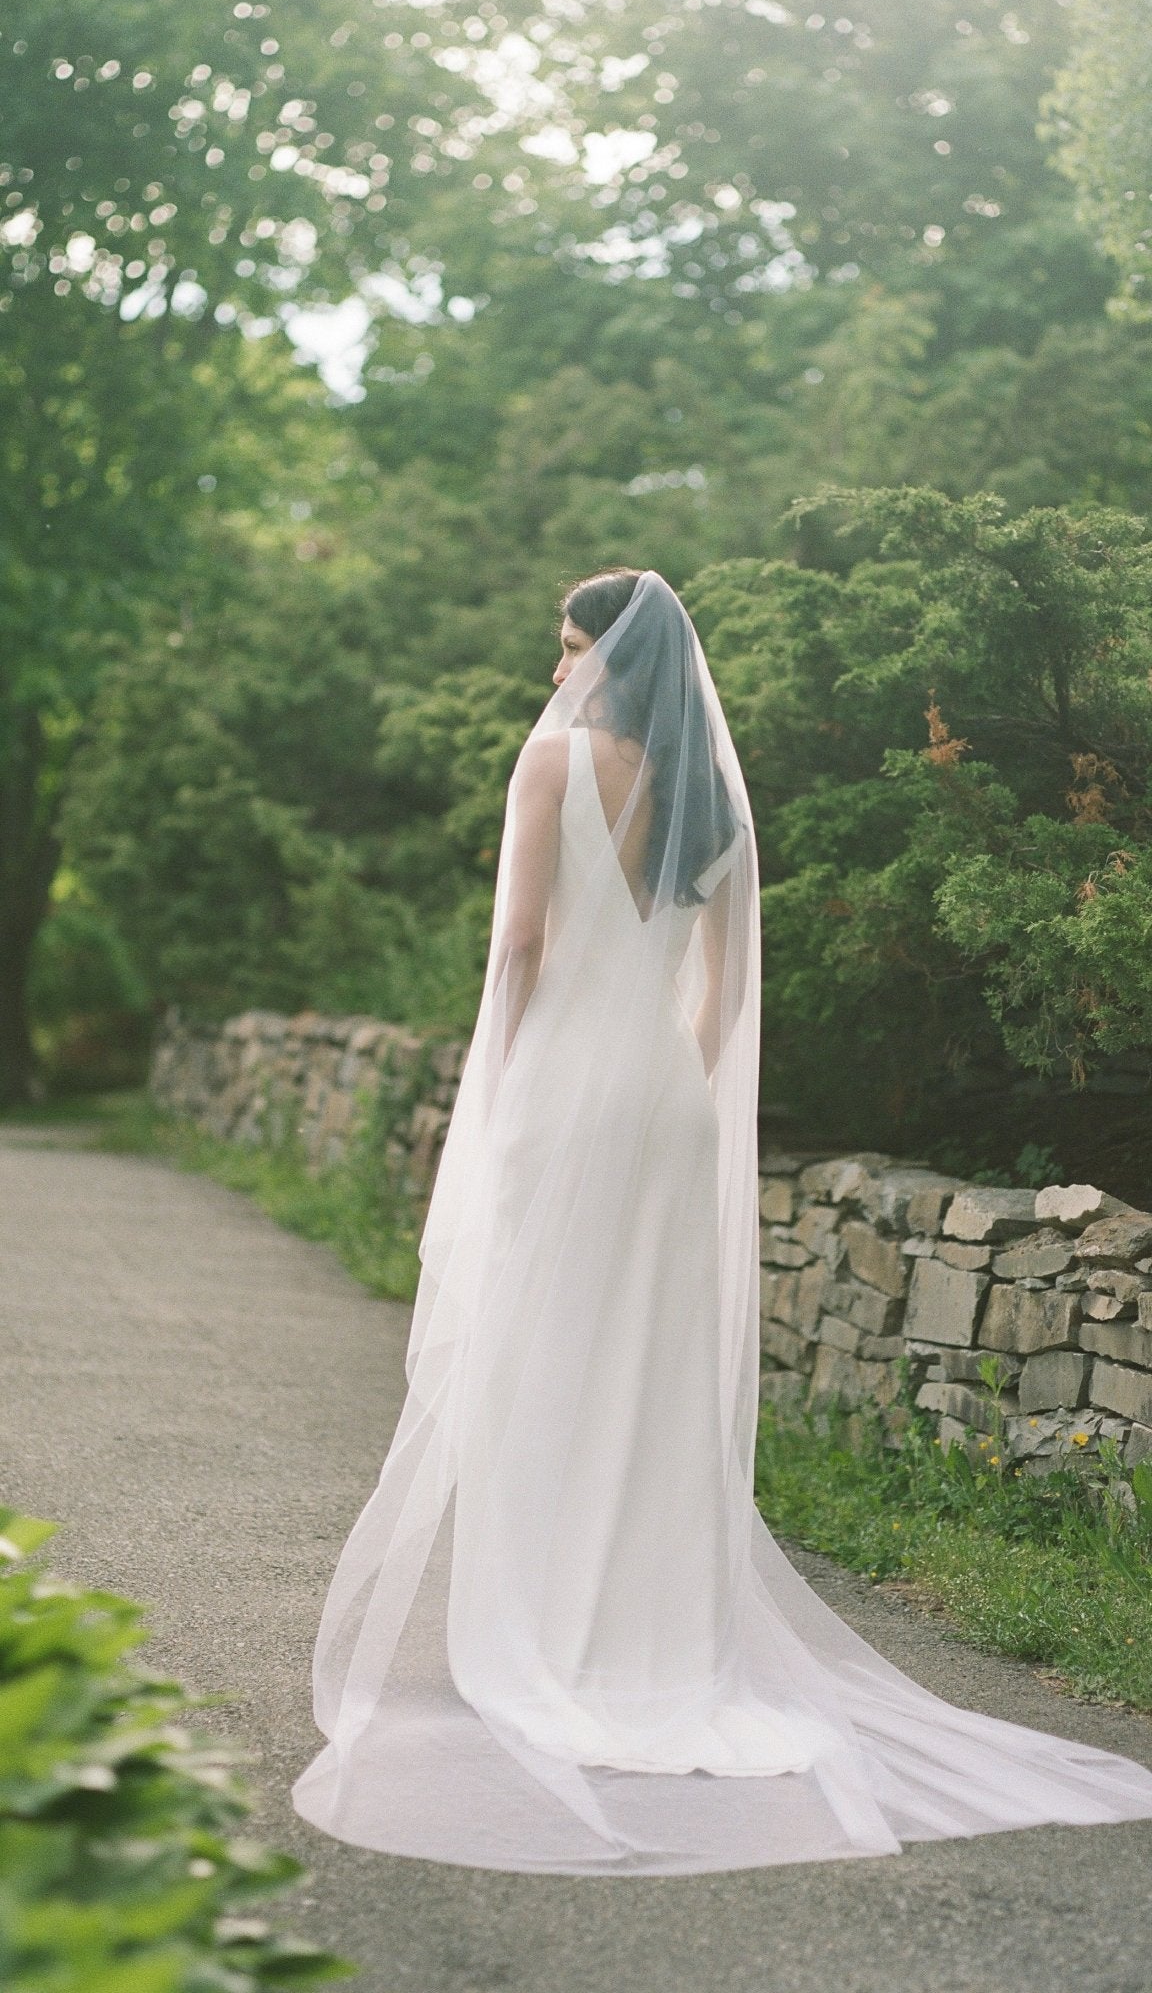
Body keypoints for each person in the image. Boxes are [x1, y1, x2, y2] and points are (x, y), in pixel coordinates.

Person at [293, 568, 1152, 1875]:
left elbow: (518, 941)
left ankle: (552, 1643)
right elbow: (721, 995)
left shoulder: (552, 765)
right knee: (649, 1375)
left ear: (606, 660)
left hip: (572, 1099)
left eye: (570, 647)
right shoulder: (711, 798)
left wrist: (509, 1082)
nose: (558, 671)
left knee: (551, 1360)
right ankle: (651, 1646)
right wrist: (671, 1089)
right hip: (666, 1108)